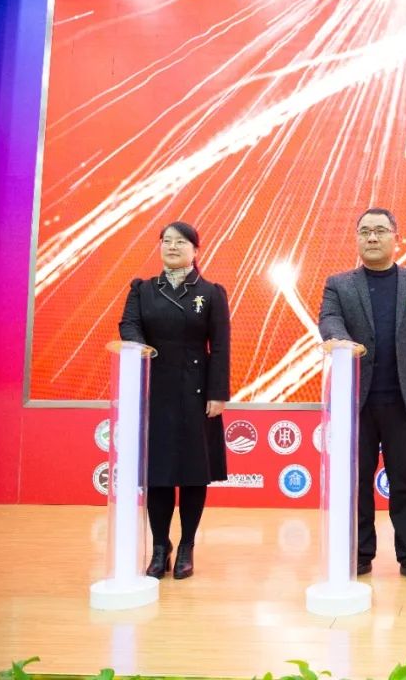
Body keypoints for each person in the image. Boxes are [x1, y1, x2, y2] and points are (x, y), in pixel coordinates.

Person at [318, 208, 406, 585]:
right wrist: (342, 340)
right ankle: (359, 555)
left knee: (405, 482)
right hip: (355, 403)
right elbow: (328, 320)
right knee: (356, 481)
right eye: (364, 232)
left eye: (379, 231)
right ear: (357, 239)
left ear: (396, 237)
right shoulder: (339, 285)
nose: (371, 238)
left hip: (405, 403)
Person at [119, 221, 230, 580]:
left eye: (180, 242)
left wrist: (217, 393)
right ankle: (159, 547)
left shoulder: (210, 293)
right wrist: (141, 348)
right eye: (166, 241)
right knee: (159, 475)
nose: (171, 247)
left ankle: (186, 547)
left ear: (195, 250)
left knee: (194, 474)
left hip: (197, 394)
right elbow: (129, 326)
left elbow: (221, 346)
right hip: (156, 391)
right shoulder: (143, 289)